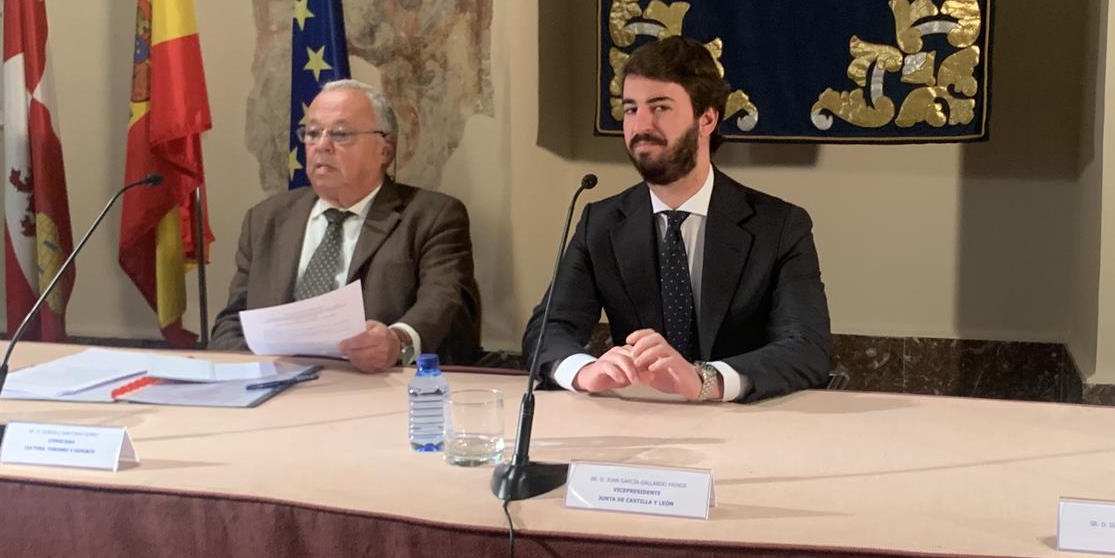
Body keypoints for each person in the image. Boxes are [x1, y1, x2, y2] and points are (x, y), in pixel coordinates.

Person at [523, 36, 832, 403]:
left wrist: (705, 380)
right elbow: (547, 330)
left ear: (707, 118)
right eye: (631, 109)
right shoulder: (600, 223)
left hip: (748, 424)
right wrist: (585, 371)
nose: (641, 126)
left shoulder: (779, 226)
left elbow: (808, 348)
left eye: (660, 107)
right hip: (638, 421)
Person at [210, 79, 480, 368]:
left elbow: (444, 304)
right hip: (273, 389)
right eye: (312, 133)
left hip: (376, 388)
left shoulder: (431, 216)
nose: (321, 146)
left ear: (384, 150)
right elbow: (233, 321)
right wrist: (245, 371)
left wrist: (396, 342)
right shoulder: (266, 219)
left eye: (340, 134)